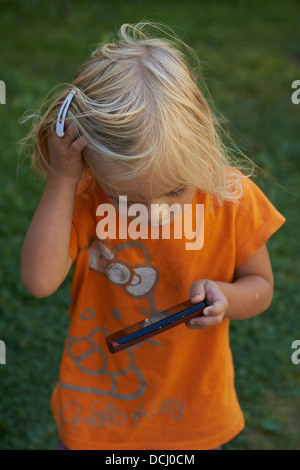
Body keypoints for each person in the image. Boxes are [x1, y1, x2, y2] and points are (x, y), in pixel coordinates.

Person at [21, 21, 286, 450]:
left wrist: (226, 297)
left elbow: (261, 286)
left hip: (192, 415)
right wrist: (61, 181)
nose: (156, 214)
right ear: (91, 167)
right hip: (99, 410)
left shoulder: (232, 199)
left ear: (200, 136)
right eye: (130, 199)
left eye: (175, 191)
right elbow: (38, 280)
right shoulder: (87, 198)